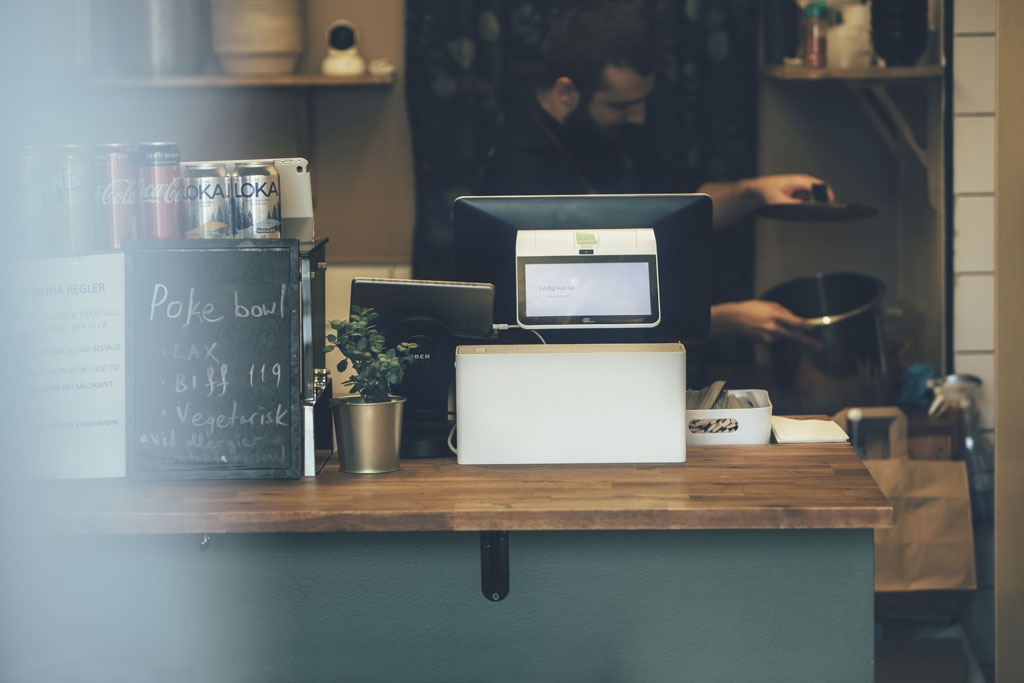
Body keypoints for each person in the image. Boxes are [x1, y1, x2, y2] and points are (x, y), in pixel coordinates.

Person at [478, 0, 823, 348]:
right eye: (622, 106)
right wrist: (727, 319)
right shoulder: (517, 173)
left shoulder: (610, 129)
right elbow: (581, 315)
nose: (639, 117)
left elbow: (683, 204)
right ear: (567, 92)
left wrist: (754, 191)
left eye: (642, 101)